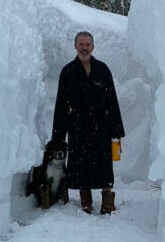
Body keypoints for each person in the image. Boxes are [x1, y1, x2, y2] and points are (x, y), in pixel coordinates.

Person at [52, 31, 125, 214]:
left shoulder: (102, 70)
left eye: (87, 45)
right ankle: (86, 201)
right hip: (78, 127)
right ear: (75, 46)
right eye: (81, 44)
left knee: (104, 165)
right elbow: (61, 104)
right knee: (81, 164)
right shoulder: (68, 72)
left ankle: (107, 200)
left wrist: (116, 130)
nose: (84, 48)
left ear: (93, 47)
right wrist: (59, 135)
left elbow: (112, 101)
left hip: (102, 126)